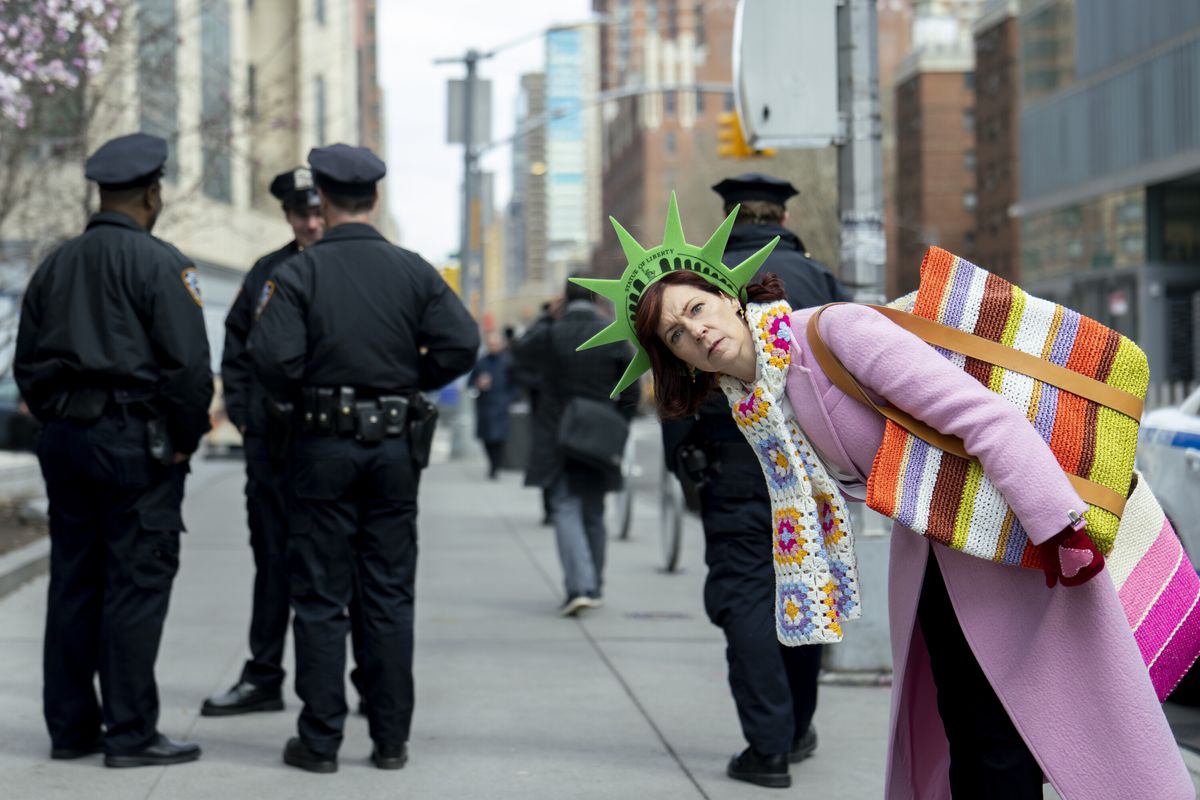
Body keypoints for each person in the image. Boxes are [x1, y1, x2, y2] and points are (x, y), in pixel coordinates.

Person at [577, 195, 1194, 800]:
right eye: (677, 334)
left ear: (727, 295)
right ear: (676, 359)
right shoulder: (755, 403)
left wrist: (1058, 529)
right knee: (966, 734)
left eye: (697, 308)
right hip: (936, 557)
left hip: (1010, 539)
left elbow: (983, 418)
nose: (698, 331)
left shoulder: (833, 334)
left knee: (1005, 737)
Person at [249, 143, 479, 774]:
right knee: (387, 594)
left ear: (320, 198)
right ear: (374, 199)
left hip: (320, 447)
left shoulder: (297, 275)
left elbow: (271, 361)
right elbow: (463, 343)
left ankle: (320, 742)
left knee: (320, 596)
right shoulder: (413, 271)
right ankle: (389, 740)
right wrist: (411, 377)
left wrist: (311, 390)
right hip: (394, 450)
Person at [14, 133, 213, 767]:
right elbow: (189, 371)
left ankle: (71, 730)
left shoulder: (54, 264)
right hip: (135, 443)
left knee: (74, 581)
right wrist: (181, 443)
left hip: (69, 441)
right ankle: (130, 733)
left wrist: (61, 421)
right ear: (152, 193)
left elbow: (26, 366)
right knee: (135, 584)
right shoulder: (161, 264)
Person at [661, 174, 851, 788]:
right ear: (784, 217)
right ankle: (796, 729)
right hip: (809, 467)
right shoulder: (818, 278)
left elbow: (673, 387)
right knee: (805, 585)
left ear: (729, 217)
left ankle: (767, 746)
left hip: (733, 465)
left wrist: (686, 458)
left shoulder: (699, 289)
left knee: (744, 596)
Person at [201, 168, 323, 717]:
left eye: (319, 212)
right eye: (302, 214)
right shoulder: (264, 274)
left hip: (333, 444)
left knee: (345, 565)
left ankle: (369, 680)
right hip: (272, 447)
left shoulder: (351, 266)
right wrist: (247, 420)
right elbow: (238, 350)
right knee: (273, 563)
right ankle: (264, 675)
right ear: (288, 216)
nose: (313, 223)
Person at [511, 279, 639, 616]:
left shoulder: (553, 332)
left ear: (563, 300)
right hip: (598, 432)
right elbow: (632, 390)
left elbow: (519, 353)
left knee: (565, 507)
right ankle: (593, 584)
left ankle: (579, 586)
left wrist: (546, 318)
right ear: (596, 298)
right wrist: (617, 424)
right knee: (594, 512)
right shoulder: (610, 331)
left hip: (558, 432)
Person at [468, 331, 513, 479]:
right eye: (490, 343)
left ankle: (495, 466)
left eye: (495, 343)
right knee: (487, 439)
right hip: (485, 406)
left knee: (499, 438)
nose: (492, 346)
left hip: (501, 406)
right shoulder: (481, 362)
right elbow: (471, 383)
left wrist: (509, 399)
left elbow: (516, 385)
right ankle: (492, 465)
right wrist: (477, 384)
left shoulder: (508, 362)